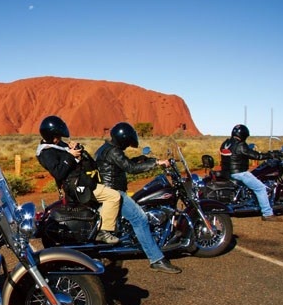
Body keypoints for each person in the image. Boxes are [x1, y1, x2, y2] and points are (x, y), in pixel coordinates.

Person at [95, 122, 182, 274]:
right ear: (123, 139)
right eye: (127, 142)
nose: (128, 145)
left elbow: (123, 164)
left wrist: (141, 159)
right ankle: (156, 259)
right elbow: (131, 169)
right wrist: (156, 163)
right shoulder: (113, 151)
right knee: (140, 219)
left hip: (108, 189)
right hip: (115, 192)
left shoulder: (107, 148)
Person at [36, 115, 121, 244]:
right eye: (57, 137)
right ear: (49, 136)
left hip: (82, 181)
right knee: (114, 197)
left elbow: (68, 155)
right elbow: (58, 173)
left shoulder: (56, 145)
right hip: (76, 186)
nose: (59, 139)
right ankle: (104, 231)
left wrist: (74, 148)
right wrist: (70, 156)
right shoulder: (46, 152)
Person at [219, 124, 282, 222]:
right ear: (243, 135)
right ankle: (267, 213)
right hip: (239, 173)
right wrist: (271, 154)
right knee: (260, 188)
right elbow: (256, 156)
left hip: (227, 172)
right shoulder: (240, 145)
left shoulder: (226, 143)